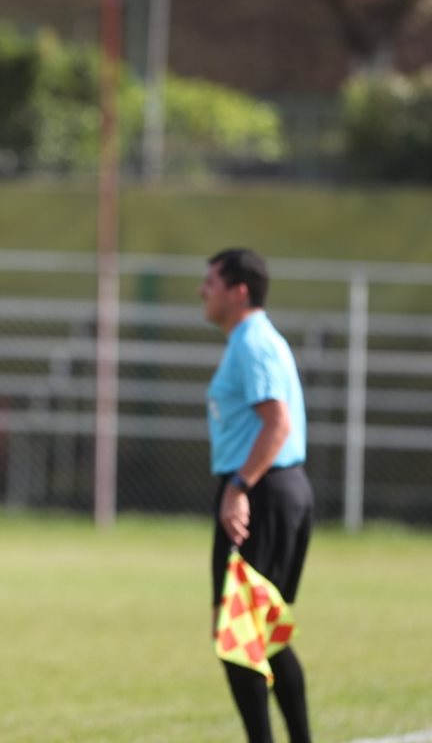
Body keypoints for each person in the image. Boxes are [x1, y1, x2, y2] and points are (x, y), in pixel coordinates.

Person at [201, 248, 314, 743]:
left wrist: (239, 486)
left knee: (239, 636)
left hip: (261, 493)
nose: (202, 291)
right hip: (274, 490)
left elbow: (278, 424)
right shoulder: (255, 339)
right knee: (263, 633)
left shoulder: (252, 342)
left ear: (238, 290)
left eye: (211, 282)